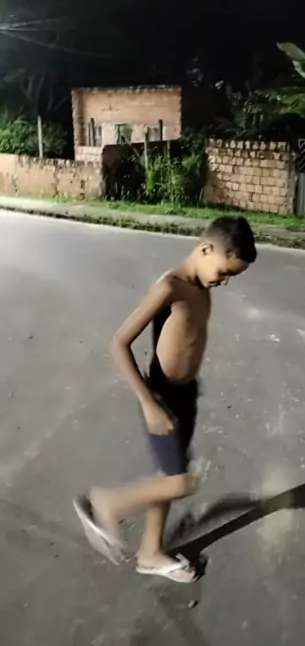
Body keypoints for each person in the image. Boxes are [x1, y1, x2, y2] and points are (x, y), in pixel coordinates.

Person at [74, 216, 256, 583]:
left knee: (168, 476)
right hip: (161, 397)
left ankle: (151, 553)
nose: (224, 281)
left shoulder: (202, 285)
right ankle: (104, 503)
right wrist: (148, 403)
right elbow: (119, 343)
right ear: (205, 249)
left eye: (231, 277)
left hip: (186, 394)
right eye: (224, 272)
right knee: (181, 483)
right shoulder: (170, 287)